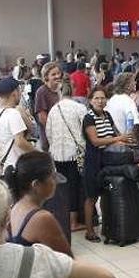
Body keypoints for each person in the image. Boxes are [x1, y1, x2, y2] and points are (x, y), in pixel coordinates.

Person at [82, 85, 133, 242]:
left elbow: (115, 133)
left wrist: (125, 140)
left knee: (106, 194)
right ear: (90, 101)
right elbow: (95, 141)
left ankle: (108, 227)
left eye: (102, 97)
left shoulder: (107, 115)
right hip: (93, 162)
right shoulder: (89, 118)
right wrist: (119, 139)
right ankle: (89, 231)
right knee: (91, 197)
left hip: (108, 160)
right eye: (96, 98)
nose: (100, 100)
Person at [5, 151, 71, 256]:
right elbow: (68, 261)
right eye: (52, 177)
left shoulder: (16, 206)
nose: (55, 182)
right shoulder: (42, 218)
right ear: (36, 185)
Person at [46, 76, 88, 232]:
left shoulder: (53, 110)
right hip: (74, 154)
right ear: (74, 89)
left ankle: (64, 220)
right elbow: (86, 130)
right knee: (75, 188)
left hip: (57, 155)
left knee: (63, 188)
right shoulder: (79, 108)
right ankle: (74, 222)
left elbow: (49, 133)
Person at [0, 77, 34, 169]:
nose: (21, 94)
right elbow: (20, 142)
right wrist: (37, 153)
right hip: (14, 165)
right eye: (19, 91)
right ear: (14, 94)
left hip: (1, 165)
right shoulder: (13, 114)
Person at [34, 62, 63, 152]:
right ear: (46, 77)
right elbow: (42, 118)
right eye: (53, 74)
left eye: (58, 73)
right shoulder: (42, 92)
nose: (57, 76)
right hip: (51, 137)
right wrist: (55, 132)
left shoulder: (61, 89)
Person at [105, 72, 139, 137]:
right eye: (133, 81)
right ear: (127, 85)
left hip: (115, 140)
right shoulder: (128, 102)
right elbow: (135, 124)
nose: (135, 83)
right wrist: (134, 143)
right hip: (126, 142)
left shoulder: (112, 99)